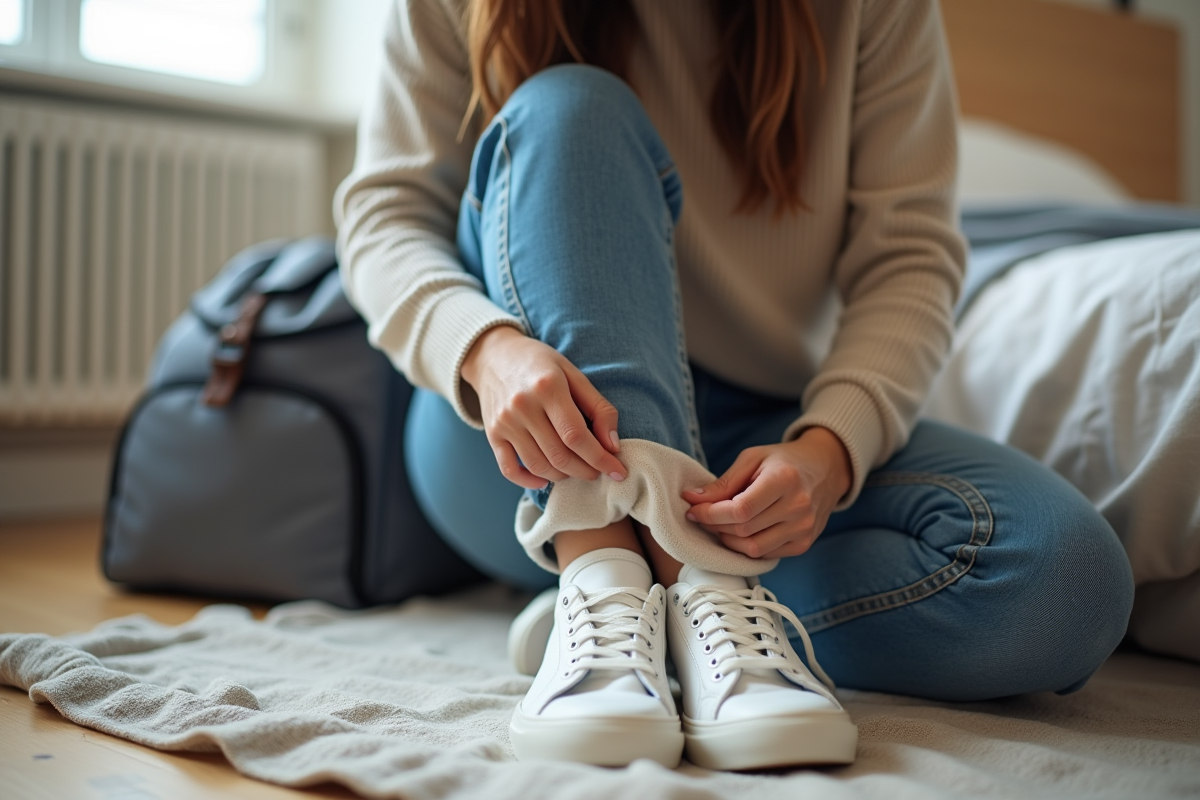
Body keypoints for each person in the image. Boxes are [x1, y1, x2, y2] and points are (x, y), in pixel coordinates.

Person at [335, 0, 1134, 771]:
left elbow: (911, 257)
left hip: (760, 422)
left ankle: (639, 610)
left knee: (1064, 582)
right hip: (526, 442)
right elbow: (384, 216)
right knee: (570, 104)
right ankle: (614, 564)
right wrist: (487, 351)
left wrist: (828, 454)